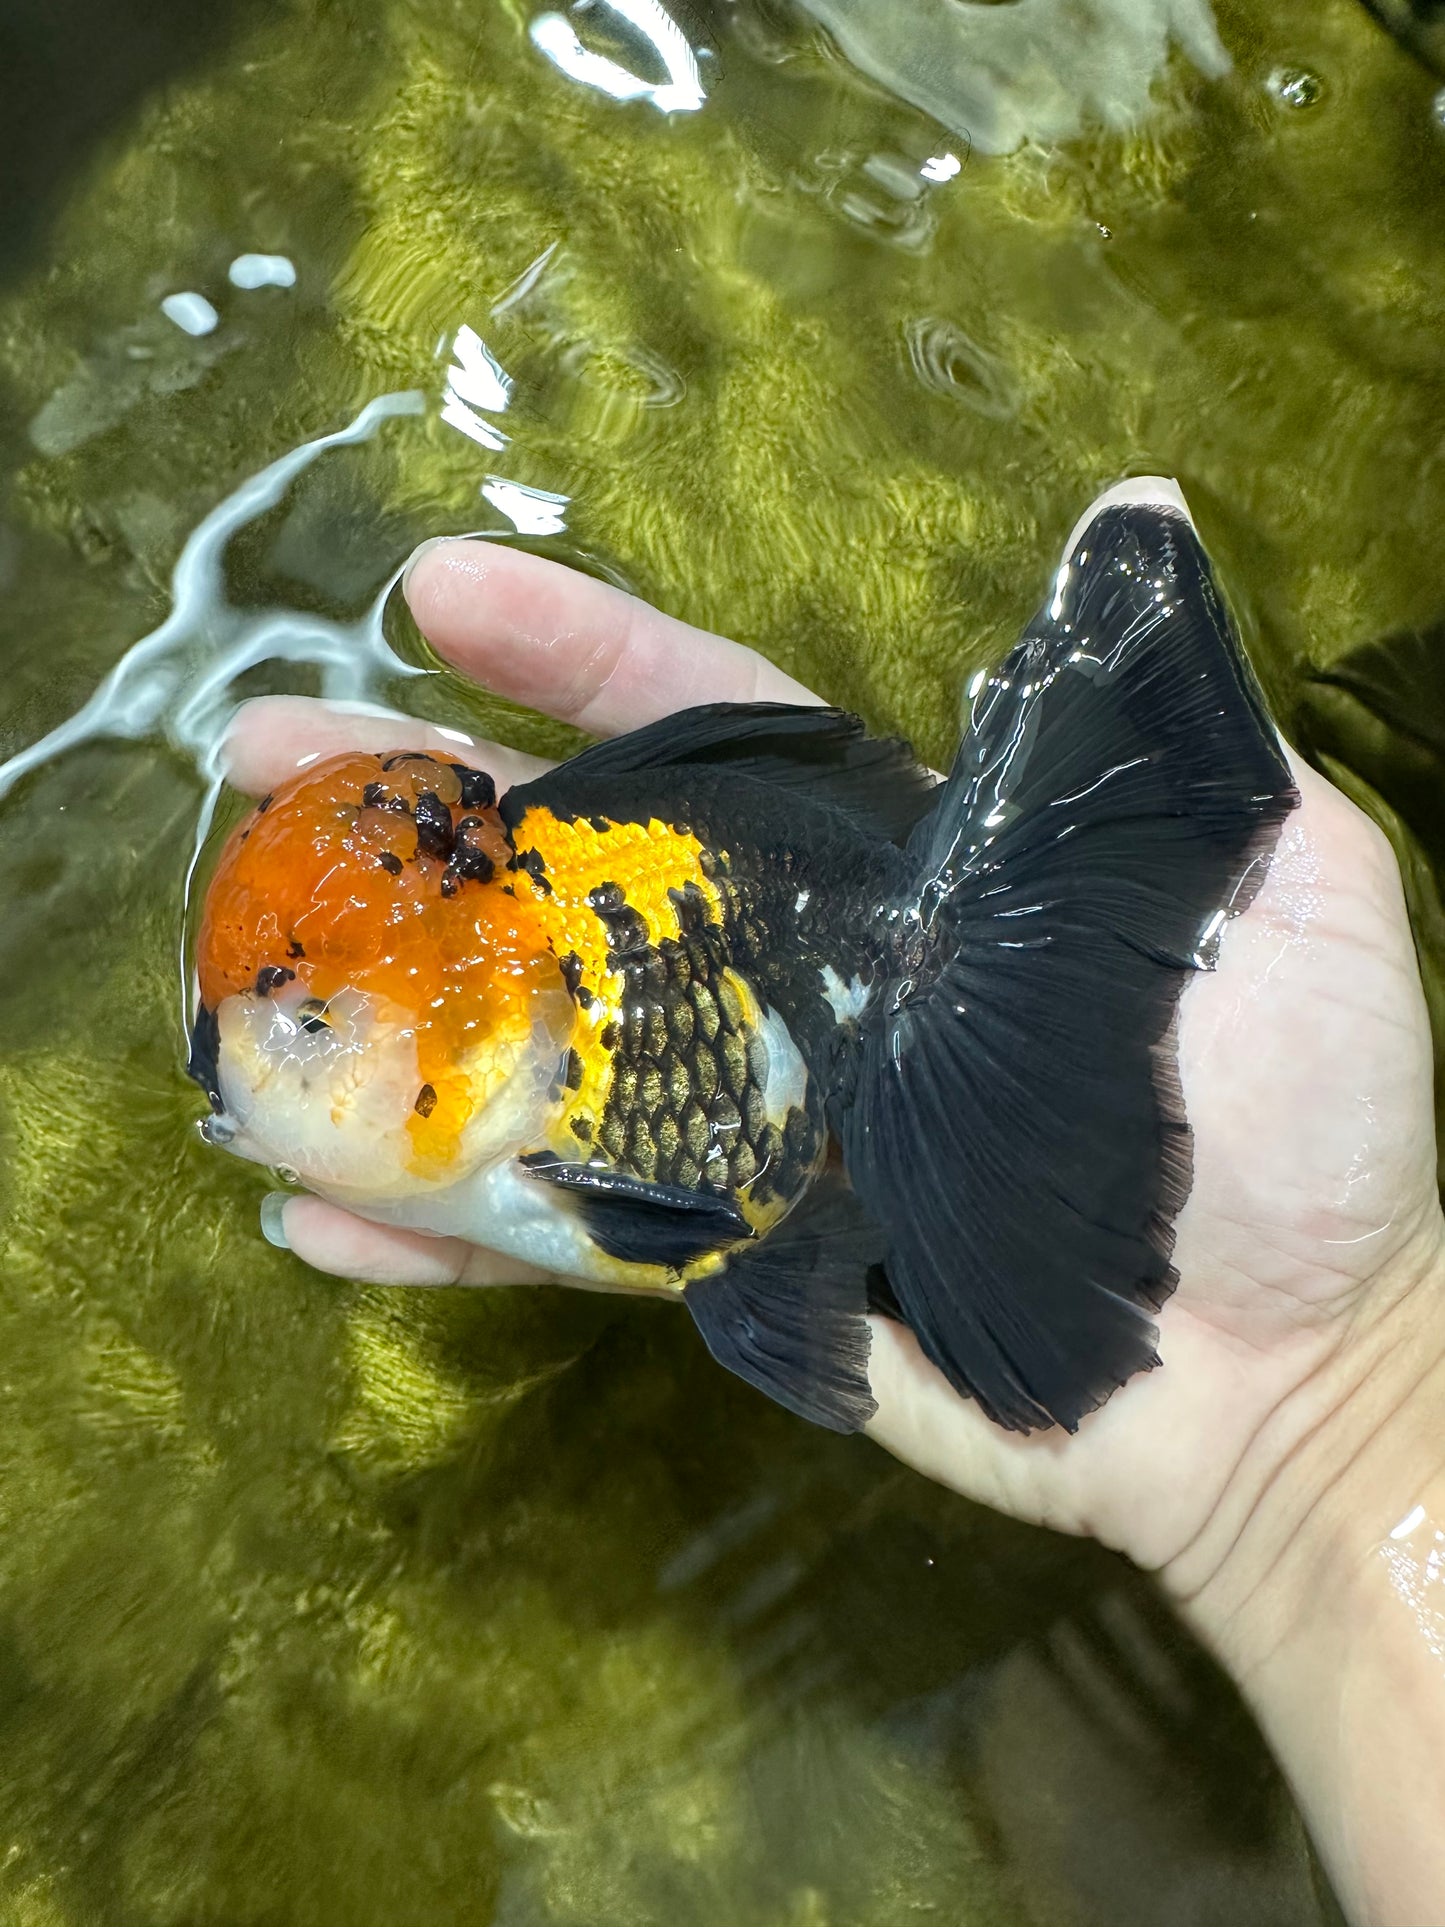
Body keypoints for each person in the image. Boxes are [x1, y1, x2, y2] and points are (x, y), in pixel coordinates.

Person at [224, 533, 1445, 1927]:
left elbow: (690, 1229)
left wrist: (1338, 1428)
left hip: (808, 995)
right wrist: (1342, 1439)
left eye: (307, 1029)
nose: (250, 1068)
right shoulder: (496, 1076)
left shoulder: (540, 1086)